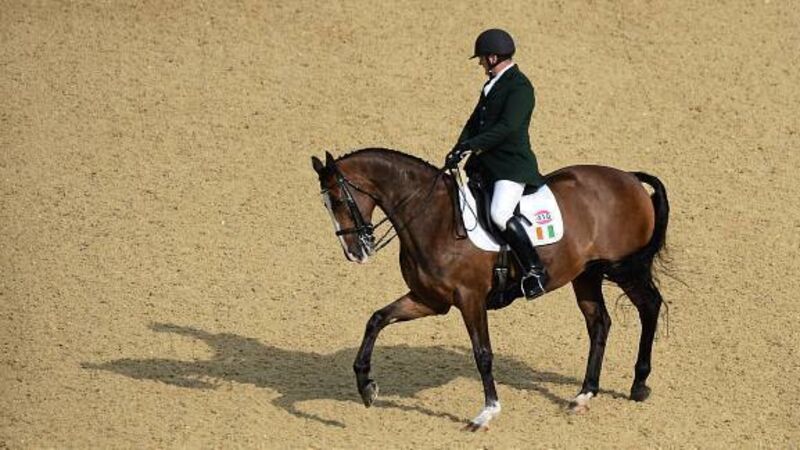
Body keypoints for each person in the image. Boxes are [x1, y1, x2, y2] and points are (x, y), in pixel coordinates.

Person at [445, 28, 549, 299]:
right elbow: (474, 122)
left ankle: (535, 270)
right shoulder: (492, 85)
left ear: (492, 58)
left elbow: (507, 128)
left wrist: (471, 146)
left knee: (499, 214)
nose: (480, 63)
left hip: (511, 166)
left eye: (482, 58)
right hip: (486, 167)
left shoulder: (520, 87)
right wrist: (459, 147)